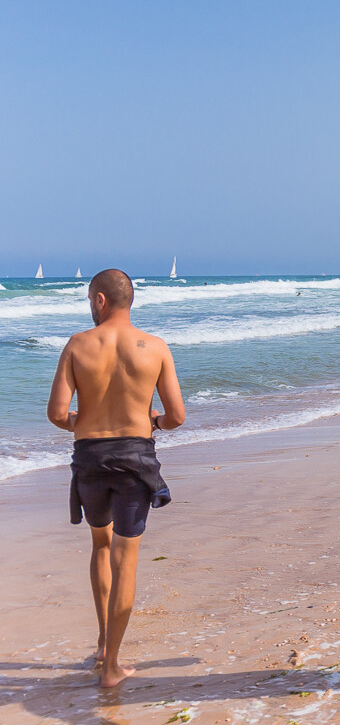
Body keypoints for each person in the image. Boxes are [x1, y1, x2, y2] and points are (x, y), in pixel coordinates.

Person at [46, 269, 186, 688]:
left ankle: (103, 645)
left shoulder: (77, 344)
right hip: (134, 459)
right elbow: (177, 417)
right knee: (126, 557)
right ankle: (112, 668)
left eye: (90, 299)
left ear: (100, 300)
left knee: (101, 545)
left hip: (90, 458)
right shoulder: (155, 347)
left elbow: (57, 414)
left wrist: (83, 423)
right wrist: (153, 422)